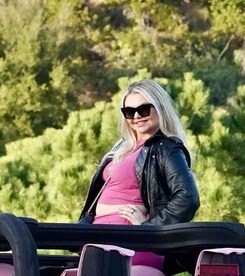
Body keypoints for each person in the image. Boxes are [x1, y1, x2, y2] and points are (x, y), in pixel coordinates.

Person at [79, 79, 200, 227]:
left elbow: (187, 198)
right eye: (129, 112)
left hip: (124, 236)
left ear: (160, 108)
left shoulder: (166, 148)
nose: (136, 117)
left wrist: (149, 228)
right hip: (98, 230)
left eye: (143, 110)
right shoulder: (122, 147)